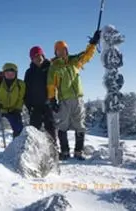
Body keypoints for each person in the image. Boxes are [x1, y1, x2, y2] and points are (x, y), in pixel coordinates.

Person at [47, 30, 101, 160]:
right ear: (55, 52)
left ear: (67, 50)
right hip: (64, 100)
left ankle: (78, 152)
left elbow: (87, 55)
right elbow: (51, 85)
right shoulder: (54, 67)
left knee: (80, 125)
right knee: (62, 126)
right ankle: (65, 152)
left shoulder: (75, 61)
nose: (61, 52)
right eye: (59, 50)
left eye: (64, 49)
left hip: (78, 99)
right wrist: (52, 99)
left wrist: (93, 43)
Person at [0, 63, 26, 155]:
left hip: (13, 109)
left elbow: (21, 98)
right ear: (4, 73)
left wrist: (17, 108)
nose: (10, 74)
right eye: (7, 72)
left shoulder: (21, 84)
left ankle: (15, 147)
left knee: (18, 128)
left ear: (16, 73)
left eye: (12, 72)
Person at [24, 46, 57, 142]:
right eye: (34, 56)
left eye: (39, 55)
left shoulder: (50, 68)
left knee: (50, 128)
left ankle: (54, 149)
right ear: (32, 59)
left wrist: (54, 101)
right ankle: (34, 150)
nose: (38, 58)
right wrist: (29, 106)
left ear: (43, 55)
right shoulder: (29, 72)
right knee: (34, 130)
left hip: (48, 104)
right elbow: (26, 91)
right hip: (35, 106)